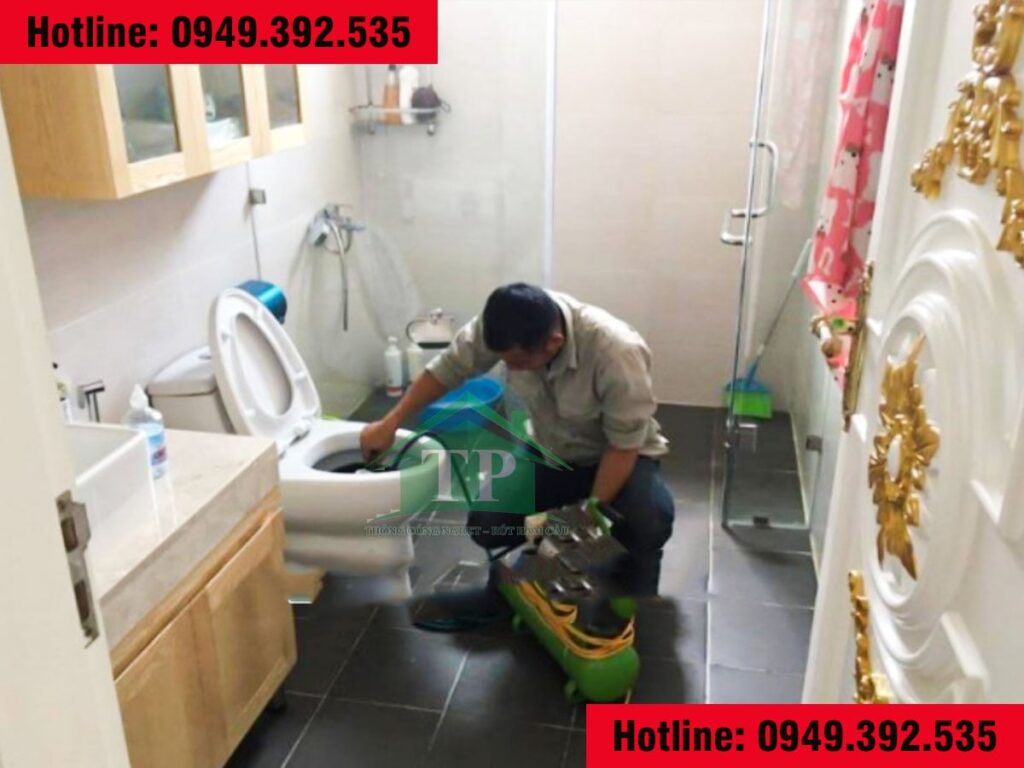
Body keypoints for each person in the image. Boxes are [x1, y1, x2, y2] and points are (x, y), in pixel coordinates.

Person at [360, 283, 675, 630]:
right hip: (551, 450)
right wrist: (389, 423)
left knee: (649, 518)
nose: (512, 368)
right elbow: (447, 369)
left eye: (520, 363)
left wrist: (585, 519)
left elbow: (624, 446)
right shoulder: (503, 325)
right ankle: (520, 582)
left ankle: (626, 578)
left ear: (553, 342)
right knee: (487, 523)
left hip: (616, 456)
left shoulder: (616, 353)